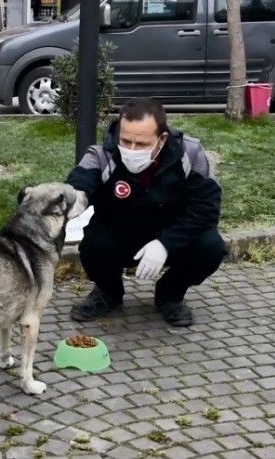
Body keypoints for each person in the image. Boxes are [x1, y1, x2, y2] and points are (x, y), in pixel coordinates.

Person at [65, 97, 225, 327]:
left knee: (211, 248)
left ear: (162, 139)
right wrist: (67, 200)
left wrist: (165, 244)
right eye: (125, 140)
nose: (131, 150)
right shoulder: (101, 155)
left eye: (140, 144)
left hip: (172, 236)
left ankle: (170, 295)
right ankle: (108, 293)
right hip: (120, 235)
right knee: (93, 245)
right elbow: (78, 186)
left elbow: (207, 208)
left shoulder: (189, 153)